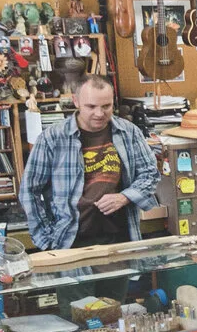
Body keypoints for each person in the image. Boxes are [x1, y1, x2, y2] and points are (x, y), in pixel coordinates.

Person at [20, 76, 159, 250]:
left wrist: (125, 197)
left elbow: (150, 173)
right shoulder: (52, 138)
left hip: (121, 238)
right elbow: (29, 190)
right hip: (68, 241)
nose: (99, 114)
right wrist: (45, 240)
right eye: (91, 107)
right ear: (76, 101)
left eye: (106, 106)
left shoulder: (129, 132)